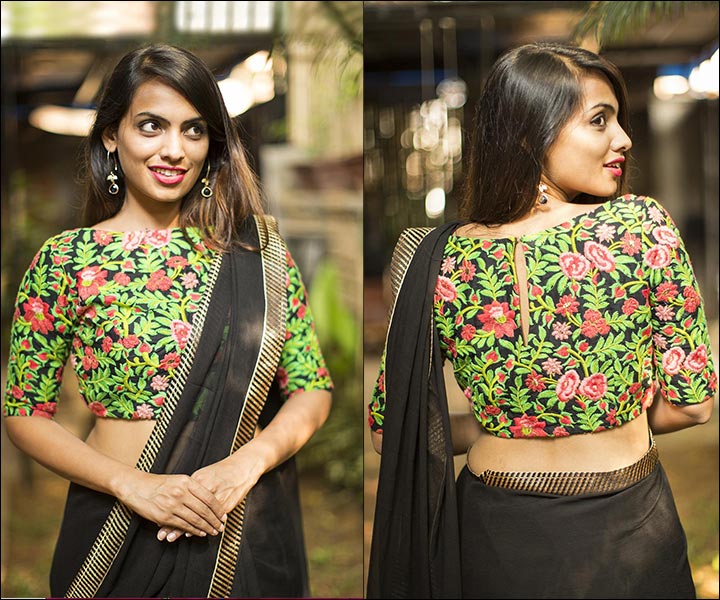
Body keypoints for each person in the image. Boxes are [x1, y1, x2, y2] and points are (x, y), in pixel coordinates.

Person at [367, 42, 717, 599]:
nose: (623, 138)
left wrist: (506, 426)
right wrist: (602, 416)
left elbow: (394, 430)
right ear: (532, 134)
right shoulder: (642, 226)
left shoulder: (433, 256)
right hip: (626, 531)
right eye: (599, 120)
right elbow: (692, 405)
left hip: (490, 535)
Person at [3, 43, 333, 598]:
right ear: (112, 135)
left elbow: (311, 388)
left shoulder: (257, 255)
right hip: (115, 526)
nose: (174, 150)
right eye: (151, 126)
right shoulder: (67, 260)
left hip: (235, 525)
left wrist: (244, 467)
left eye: (194, 130)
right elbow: (24, 413)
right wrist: (133, 485)